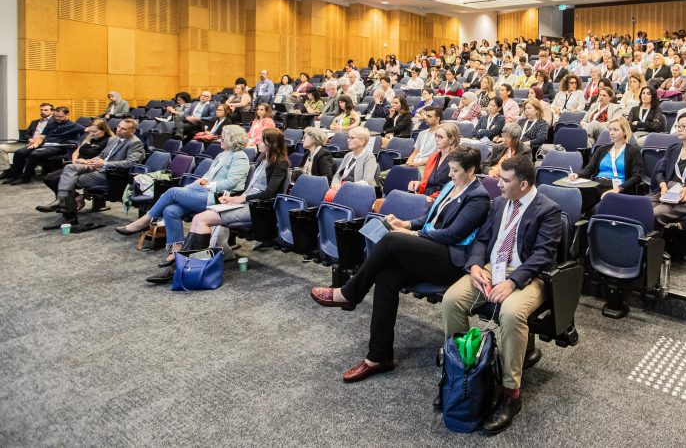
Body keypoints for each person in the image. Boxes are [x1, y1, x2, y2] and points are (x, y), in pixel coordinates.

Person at [311, 146, 490, 382]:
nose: (449, 174)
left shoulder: (478, 196)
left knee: (392, 240)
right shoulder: (452, 186)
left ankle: (349, 293)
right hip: (431, 251)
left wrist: (413, 237)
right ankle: (379, 357)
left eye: (455, 171)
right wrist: (406, 224)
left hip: (450, 261)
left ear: (471, 170)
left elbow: (453, 234)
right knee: (386, 277)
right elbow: (430, 219)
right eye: (450, 169)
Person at [441, 156, 562, 434]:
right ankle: (462, 373)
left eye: (504, 180)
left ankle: (511, 393)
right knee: (451, 301)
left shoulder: (548, 209)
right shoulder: (498, 204)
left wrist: (513, 281)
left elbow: (543, 255)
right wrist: (473, 266)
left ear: (523, 184)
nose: (497, 184)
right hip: (490, 269)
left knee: (511, 312)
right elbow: (483, 239)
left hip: (528, 275)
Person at [117, 125, 252, 284]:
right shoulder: (223, 154)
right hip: (204, 192)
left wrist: (208, 185)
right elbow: (207, 176)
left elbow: (233, 182)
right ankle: (176, 251)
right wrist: (197, 184)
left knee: (173, 192)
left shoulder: (240, 157)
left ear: (232, 139)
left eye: (223, 136)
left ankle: (144, 221)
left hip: (219, 197)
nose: (219, 138)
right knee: (170, 209)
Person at [186, 127, 290, 260]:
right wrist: (233, 198)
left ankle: (195, 262)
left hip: (259, 208)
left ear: (272, 143)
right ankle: (186, 259)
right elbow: (251, 188)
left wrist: (241, 198)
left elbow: (269, 193)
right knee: (198, 218)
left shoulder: (280, 164)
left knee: (202, 219)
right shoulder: (262, 159)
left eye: (262, 140)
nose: (257, 142)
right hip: (248, 202)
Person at [45, 118, 145, 229]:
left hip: (112, 175)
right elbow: (102, 155)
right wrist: (92, 161)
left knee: (68, 178)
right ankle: (62, 201)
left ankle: (69, 216)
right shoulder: (114, 139)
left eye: (124, 129)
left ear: (132, 131)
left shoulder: (135, 143)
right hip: (99, 168)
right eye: (119, 127)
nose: (119, 130)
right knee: (70, 167)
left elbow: (131, 163)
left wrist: (104, 164)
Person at [567, 117, 643, 215]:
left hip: (619, 187)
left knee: (596, 210)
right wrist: (577, 175)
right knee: (574, 201)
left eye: (615, 130)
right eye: (610, 129)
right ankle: (570, 225)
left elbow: (637, 177)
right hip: (597, 184)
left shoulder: (633, 151)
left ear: (625, 132)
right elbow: (589, 169)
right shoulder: (602, 149)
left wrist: (617, 189)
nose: (611, 133)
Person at [36, 119, 114, 213]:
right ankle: (73, 199)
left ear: (104, 130)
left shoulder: (110, 140)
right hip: (77, 165)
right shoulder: (89, 138)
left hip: (91, 167)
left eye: (95, 131)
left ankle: (66, 204)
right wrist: (75, 161)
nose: (92, 133)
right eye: (90, 131)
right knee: (48, 178)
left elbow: (103, 159)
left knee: (57, 180)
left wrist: (85, 162)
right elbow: (76, 151)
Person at [3, 106, 83, 185]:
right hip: (45, 145)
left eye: (60, 117)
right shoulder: (51, 123)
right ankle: (16, 176)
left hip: (57, 147)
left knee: (35, 154)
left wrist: (78, 142)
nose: (57, 118)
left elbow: (86, 132)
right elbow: (41, 136)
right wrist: (36, 143)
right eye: (56, 116)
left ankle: (25, 177)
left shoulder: (74, 126)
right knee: (19, 152)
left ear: (67, 115)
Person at [408, 122, 460, 201]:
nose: (436, 139)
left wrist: (432, 198)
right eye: (436, 136)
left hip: (440, 200)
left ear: (451, 140)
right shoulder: (433, 157)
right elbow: (429, 183)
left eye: (440, 137)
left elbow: (455, 188)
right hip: (425, 197)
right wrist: (419, 184)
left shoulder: (457, 161)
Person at [325, 126, 379, 201]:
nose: (348, 140)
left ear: (362, 141)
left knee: (330, 195)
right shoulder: (348, 155)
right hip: (342, 186)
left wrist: (345, 187)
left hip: (357, 190)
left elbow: (367, 182)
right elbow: (337, 175)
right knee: (327, 193)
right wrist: (335, 185)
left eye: (352, 138)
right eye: (348, 137)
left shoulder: (369, 157)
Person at [0, 103, 52, 173]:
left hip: (40, 145)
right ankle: (6, 170)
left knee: (21, 153)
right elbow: (26, 134)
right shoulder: (35, 122)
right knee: (1, 147)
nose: (43, 112)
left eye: (46, 110)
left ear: (52, 111)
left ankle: (21, 173)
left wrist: (37, 142)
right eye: (41, 110)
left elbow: (52, 136)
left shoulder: (54, 123)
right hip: (27, 143)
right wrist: (30, 139)